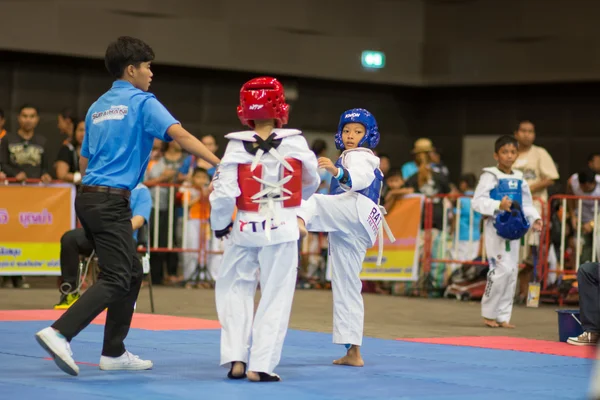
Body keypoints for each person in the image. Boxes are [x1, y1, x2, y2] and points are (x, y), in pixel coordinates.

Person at [35, 36, 220, 377]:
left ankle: (114, 352)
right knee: (119, 276)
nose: (151, 73)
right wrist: (217, 162)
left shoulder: (96, 107)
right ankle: (60, 331)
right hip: (110, 200)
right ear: (131, 69)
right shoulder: (142, 102)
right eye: (147, 67)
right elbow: (181, 136)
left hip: (88, 195)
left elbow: (85, 159)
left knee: (132, 271)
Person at [210, 76, 319, 382]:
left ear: (243, 110)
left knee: (234, 288)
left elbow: (222, 194)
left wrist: (221, 225)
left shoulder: (235, 146)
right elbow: (311, 181)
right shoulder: (296, 143)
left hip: (245, 226)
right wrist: (298, 210)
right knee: (276, 295)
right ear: (280, 108)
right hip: (282, 226)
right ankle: (261, 365)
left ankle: (235, 357)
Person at [297, 108, 392, 367]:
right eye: (346, 131)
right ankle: (354, 352)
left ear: (368, 135)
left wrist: (338, 173)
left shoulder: (360, 156)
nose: (351, 136)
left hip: (355, 208)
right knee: (347, 285)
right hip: (361, 224)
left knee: (313, 202)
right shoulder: (353, 156)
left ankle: (298, 223)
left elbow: (359, 179)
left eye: (358, 131)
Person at [471, 135, 542, 329]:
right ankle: (489, 314)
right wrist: (497, 204)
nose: (509, 156)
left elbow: (526, 203)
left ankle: (503, 316)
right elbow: (477, 202)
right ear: (496, 155)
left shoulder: (520, 178)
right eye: (505, 152)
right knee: (499, 270)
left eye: (512, 152)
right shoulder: (490, 175)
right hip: (495, 227)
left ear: (517, 154)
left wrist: (535, 218)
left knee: (511, 272)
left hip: (514, 228)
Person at [54, 183, 152, 309]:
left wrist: (114, 231)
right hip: (96, 232)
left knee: (117, 245)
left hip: (123, 236)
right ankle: (70, 291)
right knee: (69, 239)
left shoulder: (142, 191)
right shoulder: (105, 184)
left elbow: (138, 220)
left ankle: (110, 296)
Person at [54, 119, 85, 184]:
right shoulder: (67, 149)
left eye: (87, 130)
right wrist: (82, 178)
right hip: (71, 192)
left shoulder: (97, 151)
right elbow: (61, 175)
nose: (83, 134)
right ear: (74, 132)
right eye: (80, 130)